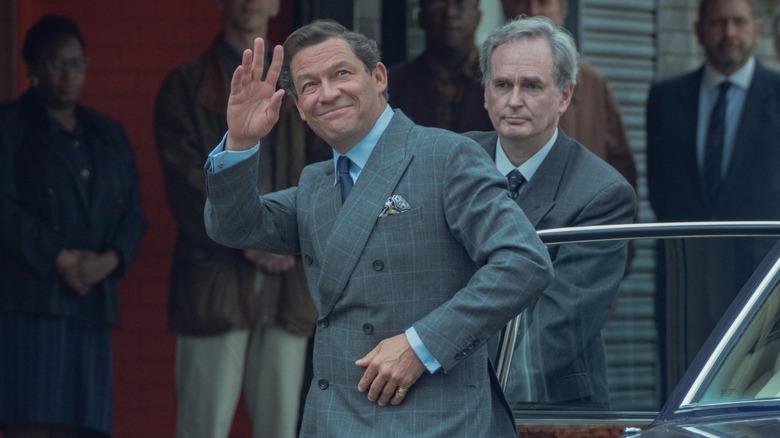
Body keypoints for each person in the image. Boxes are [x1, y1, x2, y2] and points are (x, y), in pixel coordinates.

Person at [202, 19, 554, 437]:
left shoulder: (445, 155)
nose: (327, 93)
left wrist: (422, 344)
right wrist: (241, 142)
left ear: (380, 77)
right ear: (298, 106)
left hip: (434, 420)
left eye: (341, 73)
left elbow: (523, 261)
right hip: (334, 420)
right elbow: (235, 225)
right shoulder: (316, 183)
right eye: (309, 85)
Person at [153, 1, 322, 437]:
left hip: (288, 276)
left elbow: (324, 168)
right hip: (214, 276)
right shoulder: (185, 84)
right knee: (202, 426)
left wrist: (285, 234)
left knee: (281, 427)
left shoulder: (303, 83)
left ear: (276, 4)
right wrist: (250, 236)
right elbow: (186, 181)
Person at [464, 16, 636, 408]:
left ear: (564, 96)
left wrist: (479, 402)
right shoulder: (453, 160)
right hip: (452, 404)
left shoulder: (603, 193)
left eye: (532, 85)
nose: (514, 100)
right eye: (502, 84)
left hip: (548, 407)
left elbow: (558, 326)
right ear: (486, 94)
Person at [0, 14, 146, 438]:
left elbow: (133, 211)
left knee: (85, 427)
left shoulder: (106, 132)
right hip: (31, 303)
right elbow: (3, 205)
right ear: (32, 68)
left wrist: (108, 261)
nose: (69, 75)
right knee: (32, 424)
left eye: (77, 64)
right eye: (57, 64)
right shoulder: (11, 125)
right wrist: (58, 258)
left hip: (91, 304)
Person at [646, 0, 780, 389]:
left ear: (757, 29)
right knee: (678, 396)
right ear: (698, 29)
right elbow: (661, 191)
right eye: (718, 22)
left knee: (755, 405)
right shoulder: (665, 98)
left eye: (739, 22)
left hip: (761, 292)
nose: (729, 33)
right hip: (685, 287)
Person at [499, 0, 637, 189]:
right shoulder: (483, 83)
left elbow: (621, 169)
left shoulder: (592, 84)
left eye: (543, 2)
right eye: (520, 2)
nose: (532, 11)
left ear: (562, 10)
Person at [387, 0, 493, 132]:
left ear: (478, 17)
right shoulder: (392, 84)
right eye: (438, 4)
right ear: (421, 17)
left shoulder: (499, 80)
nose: (450, 13)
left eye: (460, 4)